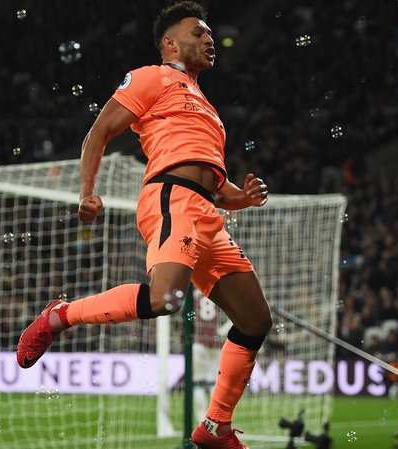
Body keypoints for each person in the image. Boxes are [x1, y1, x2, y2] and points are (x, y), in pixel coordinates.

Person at [16, 2, 272, 448]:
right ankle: (59, 316)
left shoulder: (206, 106)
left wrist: (241, 199)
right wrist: (86, 191)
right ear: (171, 42)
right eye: (199, 33)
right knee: (165, 298)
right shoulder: (151, 77)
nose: (209, 39)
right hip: (171, 198)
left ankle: (215, 427)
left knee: (255, 321)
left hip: (206, 211)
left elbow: (212, 178)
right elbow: (98, 133)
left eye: (210, 33)